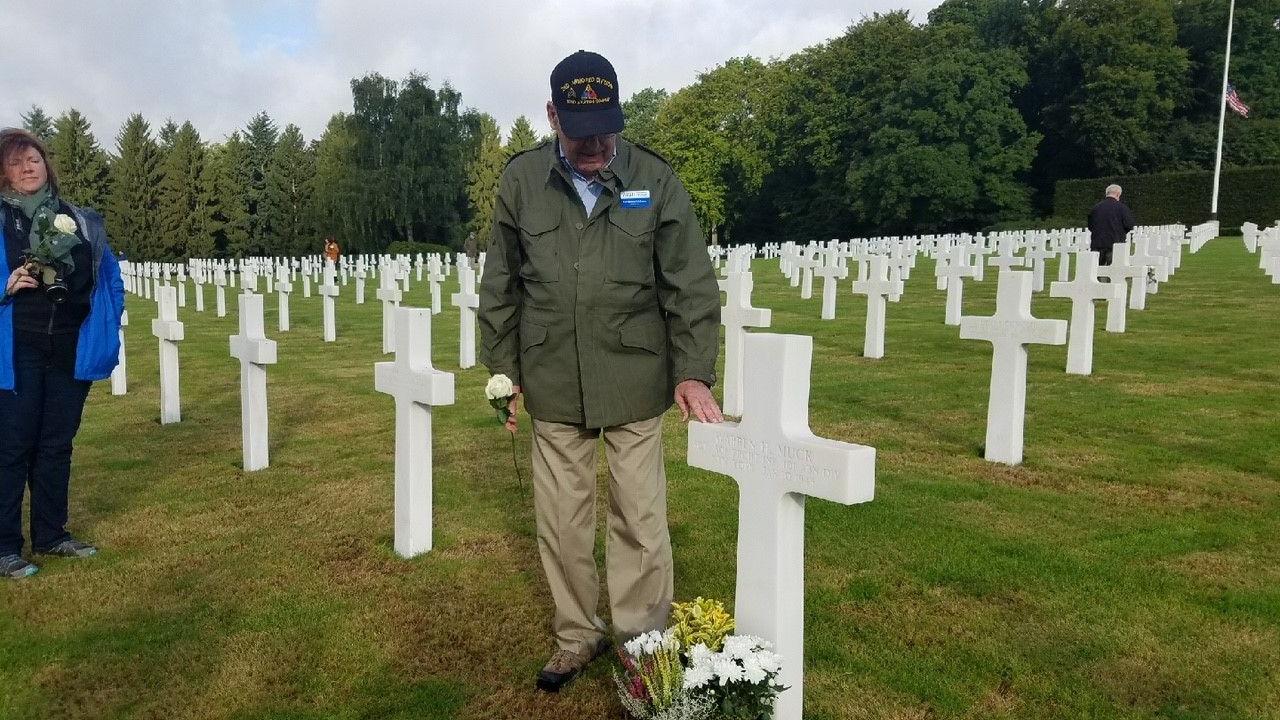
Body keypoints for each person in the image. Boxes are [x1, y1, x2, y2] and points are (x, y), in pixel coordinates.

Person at [478, 50, 723, 693]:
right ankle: (576, 635)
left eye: (606, 127)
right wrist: (503, 372)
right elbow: (501, 284)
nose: (595, 144)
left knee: (640, 518)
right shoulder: (523, 181)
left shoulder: (655, 180)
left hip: (635, 378)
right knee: (562, 519)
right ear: (553, 114)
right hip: (554, 375)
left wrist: (694, 371)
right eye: (581, 129)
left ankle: (643, 644)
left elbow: (690, 284)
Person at [0, 128, 124, 579]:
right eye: (15, 163)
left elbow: (109, 276)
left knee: (56, 444)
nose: (26, 168)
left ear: (45, 164)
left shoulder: (82, 219)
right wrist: (5, 285)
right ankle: (5, 547)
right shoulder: (1, 221)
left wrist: (110, 320)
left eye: (32, 159)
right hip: (17, 351)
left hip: (70, 347)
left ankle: (52, 534)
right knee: (13, 446)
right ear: (4, 174)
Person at [1088, 184, 1136, 266]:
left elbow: (1090, 225)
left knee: (1096, 270)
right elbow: (1129, 225)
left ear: (1107, 193)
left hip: (1097, 244)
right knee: (1113, 270)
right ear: (1118, 194)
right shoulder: (1122, 208)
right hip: (1115, 243)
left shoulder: (1095, 208)